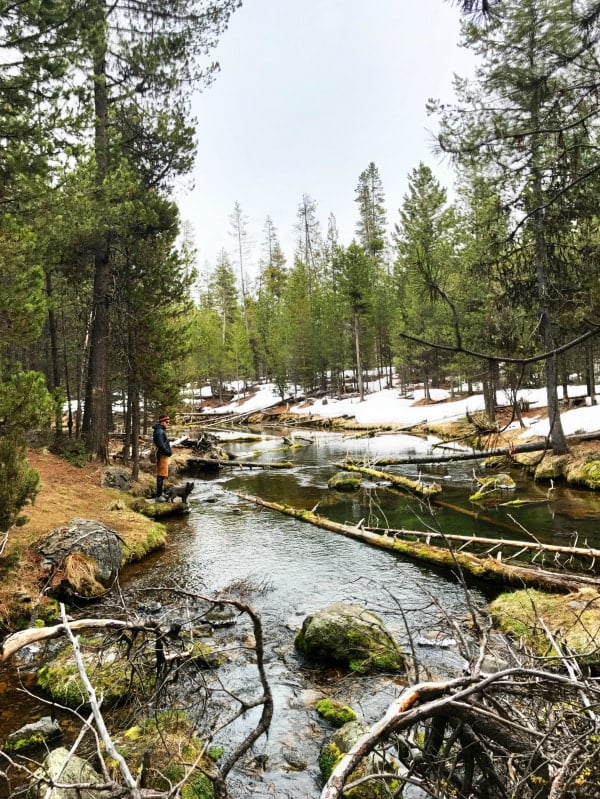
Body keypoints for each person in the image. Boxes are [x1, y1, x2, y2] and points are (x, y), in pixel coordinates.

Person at [152, 414, 172, 499]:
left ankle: (160, 493)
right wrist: (168, 452)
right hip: (162, 455)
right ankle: (159, 496)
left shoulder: (159, 430)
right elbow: (160, 445)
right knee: (161, 475)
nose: (168, 424)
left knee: (162, 475)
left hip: (162, 455)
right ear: (162, 422)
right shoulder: (160, 431)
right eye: (166, 422)